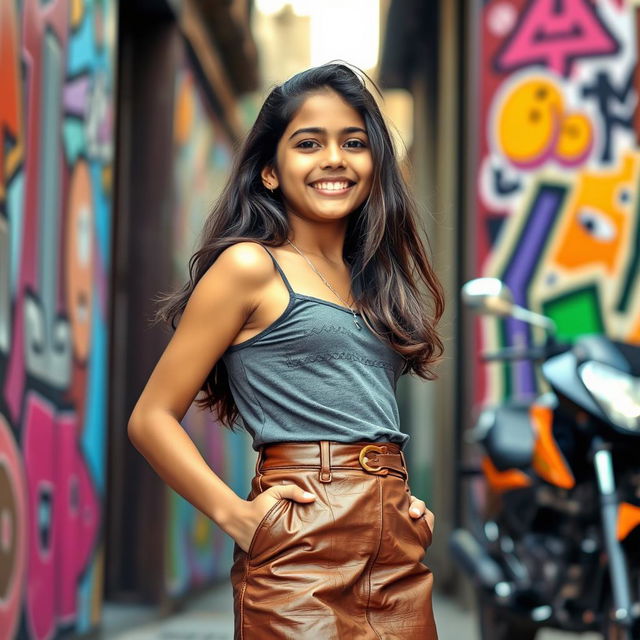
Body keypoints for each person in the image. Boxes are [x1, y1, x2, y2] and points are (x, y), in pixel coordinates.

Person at [128, 62, 445, 639]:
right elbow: (150, 418)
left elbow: (360, 410)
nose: (334, 158)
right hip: (299, 543)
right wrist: (238, 517)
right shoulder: (250, 265)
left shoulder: (371, 282)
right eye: (308, 143)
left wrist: (396, 496)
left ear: (375, 165)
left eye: (354, 142)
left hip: (394, 543)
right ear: (271, 171)